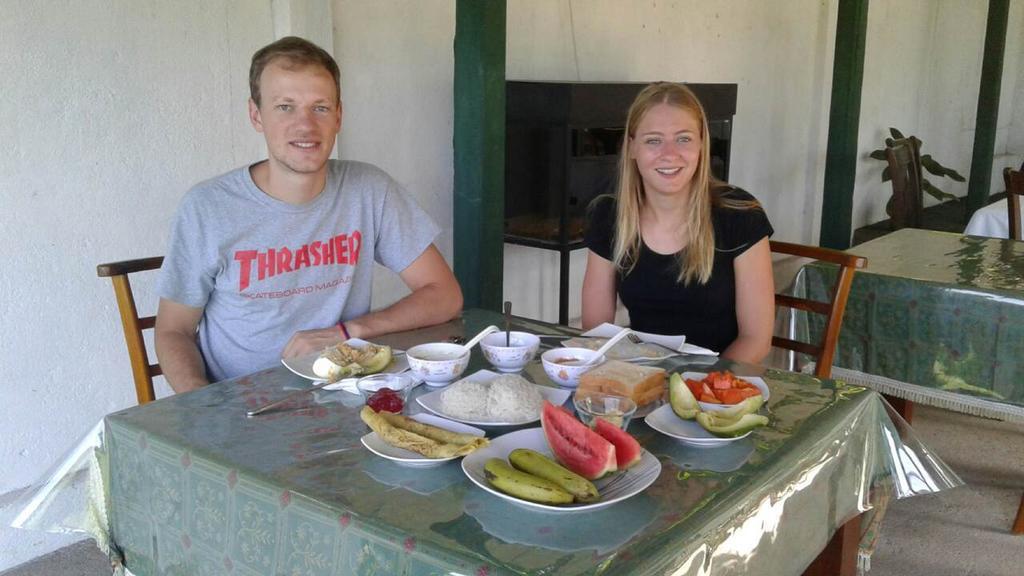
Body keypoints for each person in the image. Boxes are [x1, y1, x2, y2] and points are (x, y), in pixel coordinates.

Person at [155, 36, 462, 393]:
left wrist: (348, 332)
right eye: (285, 107)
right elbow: (173, 330)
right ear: (256, 115)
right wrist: (203, 407)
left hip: (344, 394)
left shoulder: (368, 189)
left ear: (339, 116)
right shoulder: (208, 208)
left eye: (320, 107)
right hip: (244, 403)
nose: (306, 126)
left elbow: (444, 294)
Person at [581, 82, 774, 364]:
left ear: (701, 145)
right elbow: (596, 331)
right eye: (653, 140)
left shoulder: (740, 215)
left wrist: (697, 390)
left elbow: (755, 339)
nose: (669, 154)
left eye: (683, 139)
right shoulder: (607, 216)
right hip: (641, 379)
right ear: (632, 147)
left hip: (718, 387)